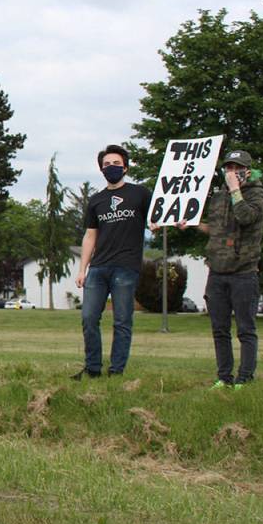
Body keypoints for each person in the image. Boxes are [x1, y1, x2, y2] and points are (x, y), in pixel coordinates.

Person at [180, 150, 263, 388]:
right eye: (227, 167)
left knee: (246, 330)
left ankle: (245, 379)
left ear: (247, 171)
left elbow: (246, 217)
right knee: (220, 329)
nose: (230, 172)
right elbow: (215, 229)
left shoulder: (257, 195)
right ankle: (224, 377)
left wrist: (235, 190)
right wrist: (194, 224)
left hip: (243, 273)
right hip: (217, 272)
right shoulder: (218, 197)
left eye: (235, 167)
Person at [72, 145, 152, 380]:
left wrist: (156, 223)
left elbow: (155, 216)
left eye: (116, 164)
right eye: (106, 165)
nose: (111, 168)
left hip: (126, 267)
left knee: (122, 321)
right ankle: (92, 368)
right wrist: (82, 269)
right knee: (88, 318)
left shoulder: (139, 193)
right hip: (98, 268)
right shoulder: (96, 200)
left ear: (125, 167)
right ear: (101, 170)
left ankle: (116, 371)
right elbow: (90, 236)